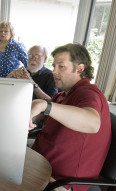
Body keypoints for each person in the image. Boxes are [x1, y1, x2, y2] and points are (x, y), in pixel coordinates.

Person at [30, 43, 111, 191]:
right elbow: (41, 115)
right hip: (41, 166)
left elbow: (92, 122)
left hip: (60, 182)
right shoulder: (63, 95)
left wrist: (45, 105)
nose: (54, 71)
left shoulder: (88, 93)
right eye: (54, 66)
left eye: (61, 66)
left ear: (80, 68)